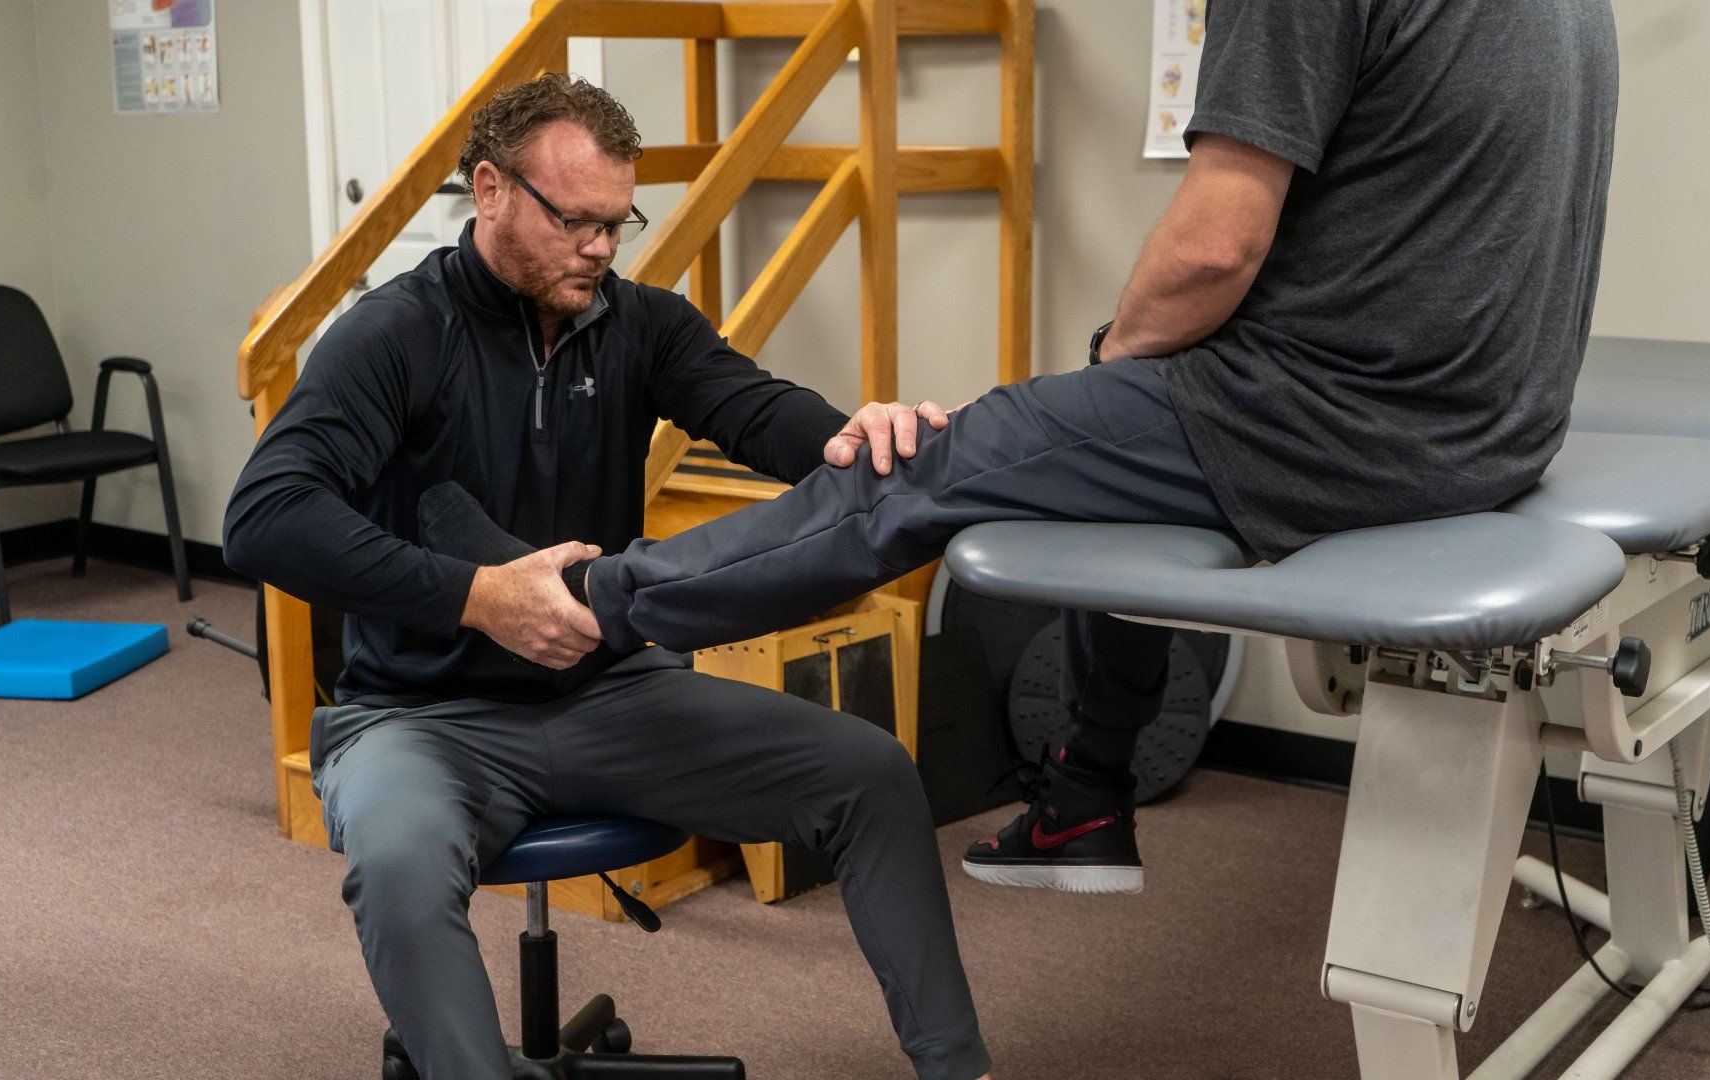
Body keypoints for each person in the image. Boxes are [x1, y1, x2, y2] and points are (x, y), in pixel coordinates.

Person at [534, 0, 1622, 894]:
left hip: (1336, 421)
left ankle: (589, 608)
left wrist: (1113, 366)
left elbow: (1212, 249)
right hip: (1495, 424)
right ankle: (1086, 799)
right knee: (1099, 458)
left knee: (942, 463)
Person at [224, 75, 993, 1080]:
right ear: (488, 188)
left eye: (617, 220)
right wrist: (479, 598)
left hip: (611, 692)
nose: (601, 247)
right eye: (574, 220)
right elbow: (263, 517)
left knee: (872, 775)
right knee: (401, 870)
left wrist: (853, 436)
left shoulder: (643, 326)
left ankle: (958, 1068)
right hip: (421, 716)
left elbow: (756, 410)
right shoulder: (396, 334)